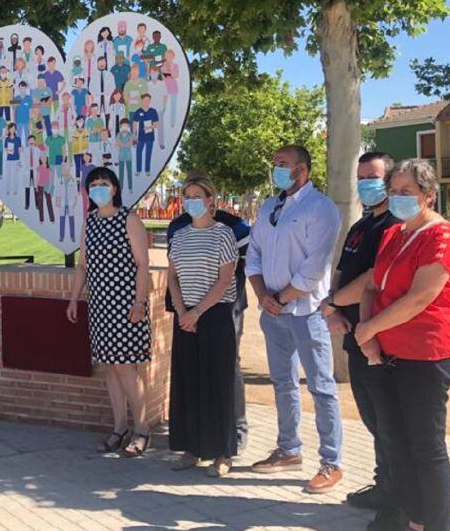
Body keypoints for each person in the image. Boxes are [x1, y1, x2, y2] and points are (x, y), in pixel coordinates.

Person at [355, 159, 450, 531]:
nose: (399, 197)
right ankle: (418, 527)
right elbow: (372, 285)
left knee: (426, 448)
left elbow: (420, 298)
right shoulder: (393, 234)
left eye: (408, 191)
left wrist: (368, 331)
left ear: (428, 195)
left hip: (428, 355)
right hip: (390, 354)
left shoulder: (441, 237)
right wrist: (369, 334)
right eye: (395, 189)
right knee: (400, 444)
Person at [246, 145, 344, 494]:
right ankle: (288, 449)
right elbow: (253, 254)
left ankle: (331, 461)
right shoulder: (270, 207)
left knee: (320, 386)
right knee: (282, 383)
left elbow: (313, 269)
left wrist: (280, 298)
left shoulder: (321, 209)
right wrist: (262, 296)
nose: (277, 170)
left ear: (302, 169)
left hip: (307, 313)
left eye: (283, 165)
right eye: (274, 165)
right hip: (273, 314)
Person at [322, 151, 404, 531]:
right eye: (360, 177)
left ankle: (397, 506)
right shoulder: (360, 225)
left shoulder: (394, 225)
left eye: (372, 177)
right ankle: (382, 486)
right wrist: (331, 308)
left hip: (382, 342)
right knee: (375, 423)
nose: (364, 184)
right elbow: (342, 270)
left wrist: (335, 303)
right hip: (354, 335)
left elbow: (374, 277)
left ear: (390, 180)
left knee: (391, 425)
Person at [66, 167, 151, 457]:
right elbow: (82, 266)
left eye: (104, 183)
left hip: (128, 308)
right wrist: (74, 299)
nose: (98, 188)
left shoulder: (129, 219)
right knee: (110, 370)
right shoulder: (90, 222)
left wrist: (139, 303)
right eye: (93, 184)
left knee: (126, 368)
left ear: (114, 188)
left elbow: (142, 264)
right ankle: (120, 428)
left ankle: (142, 430)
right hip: (101, 309)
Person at [166, 189, 251, 453]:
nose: (191, 200)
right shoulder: (178, 236)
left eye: (197, 195)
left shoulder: (225, 233)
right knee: (189, 382)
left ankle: (222, 453)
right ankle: (191, 449)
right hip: (185, 318)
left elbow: (225, 279)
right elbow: (173, 278)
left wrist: (197, 312)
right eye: (186, 195)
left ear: (210, 199)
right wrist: (182, 312)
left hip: (214, 315)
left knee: (218, 383)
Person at [132, 93, 159, 175]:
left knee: (148, 153)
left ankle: (147, 170)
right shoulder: (138, 111)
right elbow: (135, 124)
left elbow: (156, 124)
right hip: (140, 137)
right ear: (142, 101)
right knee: (139, 153)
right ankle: (138, 170)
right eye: (145, 100)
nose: (146, 102)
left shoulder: (153, 111)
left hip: (150, 137)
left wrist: (149, 127)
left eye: (148, 100)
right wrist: (134, 135)